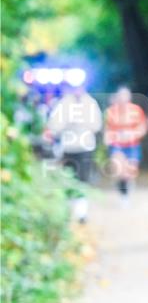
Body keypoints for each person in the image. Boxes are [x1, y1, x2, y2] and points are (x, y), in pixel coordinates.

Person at [47, 86, 102, 223]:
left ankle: (81, 213)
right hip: (68, 148)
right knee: (68, 179)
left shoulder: (90, 103)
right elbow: (54, 126)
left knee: (83, 179)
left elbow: (97, 125)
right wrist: (67, 122)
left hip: (85, 147)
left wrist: (82, 121)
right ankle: (68, 211)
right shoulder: (63, 104)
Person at [104, 85, 147, 202]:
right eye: (121, 95)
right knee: (119, 170)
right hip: (117, 145)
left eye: (125, 95)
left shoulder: (136, 110)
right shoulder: (111, 111)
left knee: (129, 172)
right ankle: (122, 190)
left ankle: (126, 191)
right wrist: (111, 137)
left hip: (132, 145)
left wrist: (133, 134)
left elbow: (142, 128)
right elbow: (107, 129)